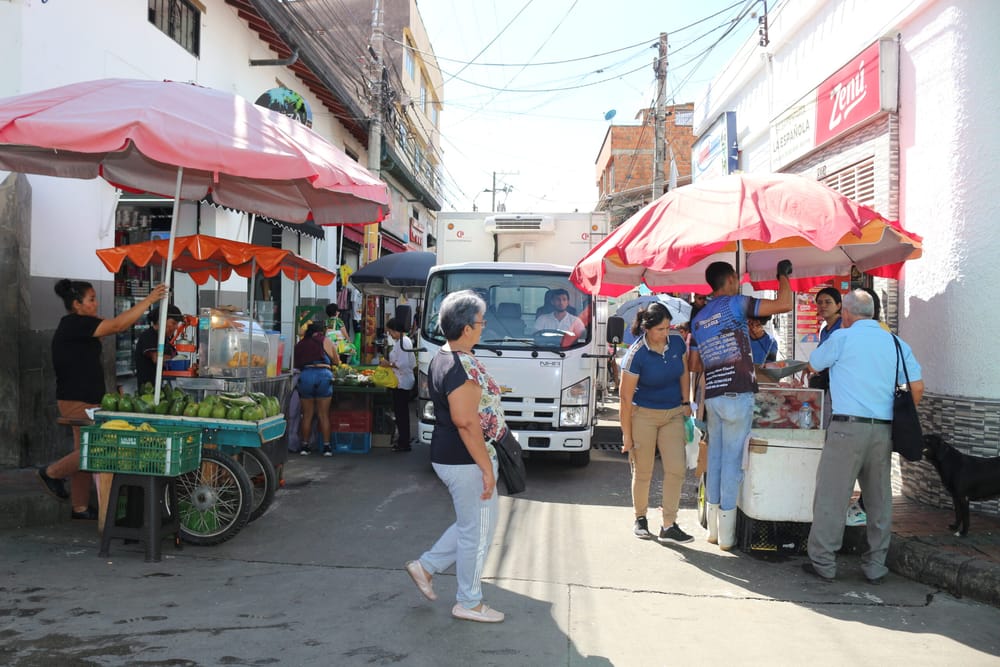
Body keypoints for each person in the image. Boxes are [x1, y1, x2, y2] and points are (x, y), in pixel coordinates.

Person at [802, 289, 923, 585]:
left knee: (832, 496)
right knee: (879, 499)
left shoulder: (842, 338)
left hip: (846, 428)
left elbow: (814, 365)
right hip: (882, 430)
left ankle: (824, 563)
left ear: (846, 313)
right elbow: (916, 387)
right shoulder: (895, 343)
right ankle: (875, 566)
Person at [404, 290, 508, 623]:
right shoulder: (460, 365)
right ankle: (469, 601)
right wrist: (486, 469)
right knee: (477, 533)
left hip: (454, 455)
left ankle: (427, 566)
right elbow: (465, 421)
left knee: (471, 526)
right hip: (465, 459)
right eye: (481, 322)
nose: (483, 328)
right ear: (466, 328)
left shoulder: (443, 355)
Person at [37, 279, 170, 520]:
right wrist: (150, 300)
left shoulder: (84, 324)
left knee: (83, 448)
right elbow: (119, 325)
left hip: (89, 397)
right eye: (91, 299)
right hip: (76, 399)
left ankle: (79, 507)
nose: (96, 303)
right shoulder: (74, 325)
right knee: (95, 448)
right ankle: (52, 472)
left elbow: (118, 324)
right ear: (76, 304)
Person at [688, 260, 793, 550]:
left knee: (718, 459)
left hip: (714, 394)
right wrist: (782, 274)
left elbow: (695, 363)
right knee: (733, 462)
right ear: (733, 278)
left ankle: (712, 528)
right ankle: (727, 537)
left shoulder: (699, 318)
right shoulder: (735, 304)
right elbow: (784, 304)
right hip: (737, 393)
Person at [619, 303, 694, 544]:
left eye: (668, 327)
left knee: (676, 468)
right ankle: (640, 518)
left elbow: (684, 372)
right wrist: (626, 435)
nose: (666, 332)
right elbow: (625, 398)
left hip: (672, 413)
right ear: (647, 328)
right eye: (661, 329)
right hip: (644, 415)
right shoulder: (636, 354)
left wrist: (686, 401)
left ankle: (669, 524)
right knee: (643, 470)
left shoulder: (677, 342)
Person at [294, 321, 337, 456]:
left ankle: (304, 447)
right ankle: (326, 448)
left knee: (307, 415)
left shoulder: (301, 344)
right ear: (321, 331)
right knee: (323, 414)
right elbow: (336, 360)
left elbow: (295, 363)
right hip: (323, 375)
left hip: (306, 376)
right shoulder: (325, 340)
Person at [382, 317, 416, 452]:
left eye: (390, 331)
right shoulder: (403, 341)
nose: (390, 334)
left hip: (402, 382)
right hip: (402, 380)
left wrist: (388, 364)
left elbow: (403, 364)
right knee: (401, 412)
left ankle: (404, 442)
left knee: (401, 413)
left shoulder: (403, 343)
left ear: (396, 330)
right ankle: (403, 439)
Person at [133, 304, 183, 388]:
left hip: (164, 388)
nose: (176, 327)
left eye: (177, 324)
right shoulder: (148, 336)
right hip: (149, 390)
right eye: (173, 323)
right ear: (162, 320)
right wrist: (177, 361)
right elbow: (157, 358)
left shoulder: (165, 339)